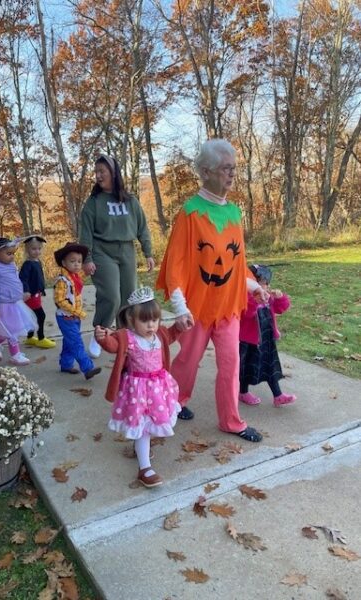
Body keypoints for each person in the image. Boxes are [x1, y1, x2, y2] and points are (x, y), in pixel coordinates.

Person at [156, 139, 268, 442]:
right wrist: (180, 308)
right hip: (197, 308)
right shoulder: (190, 213)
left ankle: (231, 420)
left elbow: (235, 263)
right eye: (225, 169)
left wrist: (254, 286)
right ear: (206, 172)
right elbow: (175, 265)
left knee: (231, 364)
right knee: (188, 361)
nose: (231, 174)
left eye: (233, 168)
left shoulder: (233, 213)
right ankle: (173, 402)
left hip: (228, 307)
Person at [95, 286, 186, 488]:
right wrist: (103, 339)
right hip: (137, 392)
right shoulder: (128, 338)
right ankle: (144, 468)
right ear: (131, 320)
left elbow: (171, 335)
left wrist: (180, 325)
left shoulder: (159, 335)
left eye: (154, 320)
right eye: (144, 321)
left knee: (150, 423)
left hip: (159, 389)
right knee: (143, 427)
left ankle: (139, 449)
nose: (151, 325)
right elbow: (113, 345)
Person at [79, 154, 155, 359]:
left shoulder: (130, 201)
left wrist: (148, 253)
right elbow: (85, 233)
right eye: (96, 172)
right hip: (102, 251)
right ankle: (99, 333)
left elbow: (142, 228)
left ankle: (126, 340)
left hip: (127, 251)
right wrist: (87, 259)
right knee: (112, 296)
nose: (98, 175)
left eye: (102, 171)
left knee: (128, 299)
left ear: (114, 173)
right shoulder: (93, 203)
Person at [239, 264, 297, 407]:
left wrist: (280, 298)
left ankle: (278, 395)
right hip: (248, 341)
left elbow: (281, 308)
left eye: (267, 284)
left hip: (266, 339)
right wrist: (255, 301)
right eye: (262, 284)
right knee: (246, 367)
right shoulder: (244, 298)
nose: (265, 287)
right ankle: (243, 392)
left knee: (270, 366)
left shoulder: (268, 298)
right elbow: (246, 315)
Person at [0, 236, 36, 365]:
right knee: (12, 330)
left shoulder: (11, 265)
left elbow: (15, 281)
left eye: (13, 253)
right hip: (3, 305)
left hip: (14, 303)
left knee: (13, 329)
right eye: (8, 254)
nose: (12, 256)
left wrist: (21, 294)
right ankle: (15, 355)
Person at [54, 242, 101, 380]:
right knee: (76, 342)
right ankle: (88, 368)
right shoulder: (62, 280)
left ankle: (66, 364)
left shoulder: (75, 278)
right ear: (64, 262)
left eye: (79, 261)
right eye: (72, 261)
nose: (76, 264)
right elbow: (60, 301)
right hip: (66, 317)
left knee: (69, 341)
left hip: (74, 317)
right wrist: (77, 312)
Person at [19, 235, 56, 349]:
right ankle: (40, 338)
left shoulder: (38, 262)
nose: (37, 251)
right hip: (30, 295)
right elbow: (23, 279)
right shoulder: (27, 264)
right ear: (27, 250)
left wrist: (42, 290)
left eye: (39, 249)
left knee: (32, 316)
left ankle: (30, 338)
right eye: (33, 249)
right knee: (41, 315)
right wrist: (25, 291)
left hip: (37, 294)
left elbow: (39, 278)